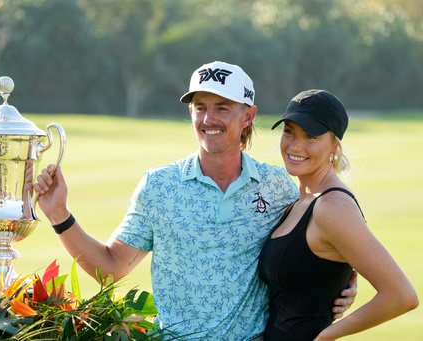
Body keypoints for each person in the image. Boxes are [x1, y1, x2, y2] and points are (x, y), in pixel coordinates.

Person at [33, 62, 357, 340]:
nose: (208, 119)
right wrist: (59, 214)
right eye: (200, 107)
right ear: (191, 111)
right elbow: (112, 267)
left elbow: (316, 243)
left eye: (222, 108)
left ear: (247, 116)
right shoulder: (158, 186)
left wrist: (341, 284)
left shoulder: (276, 187)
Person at [257, 89, 419, 341]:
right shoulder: (300, 199)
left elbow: (401, 296)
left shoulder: (332, 206)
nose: (295, 145)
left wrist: (326, 336)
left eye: (310, 135)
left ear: (335, 146)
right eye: (289, 131)